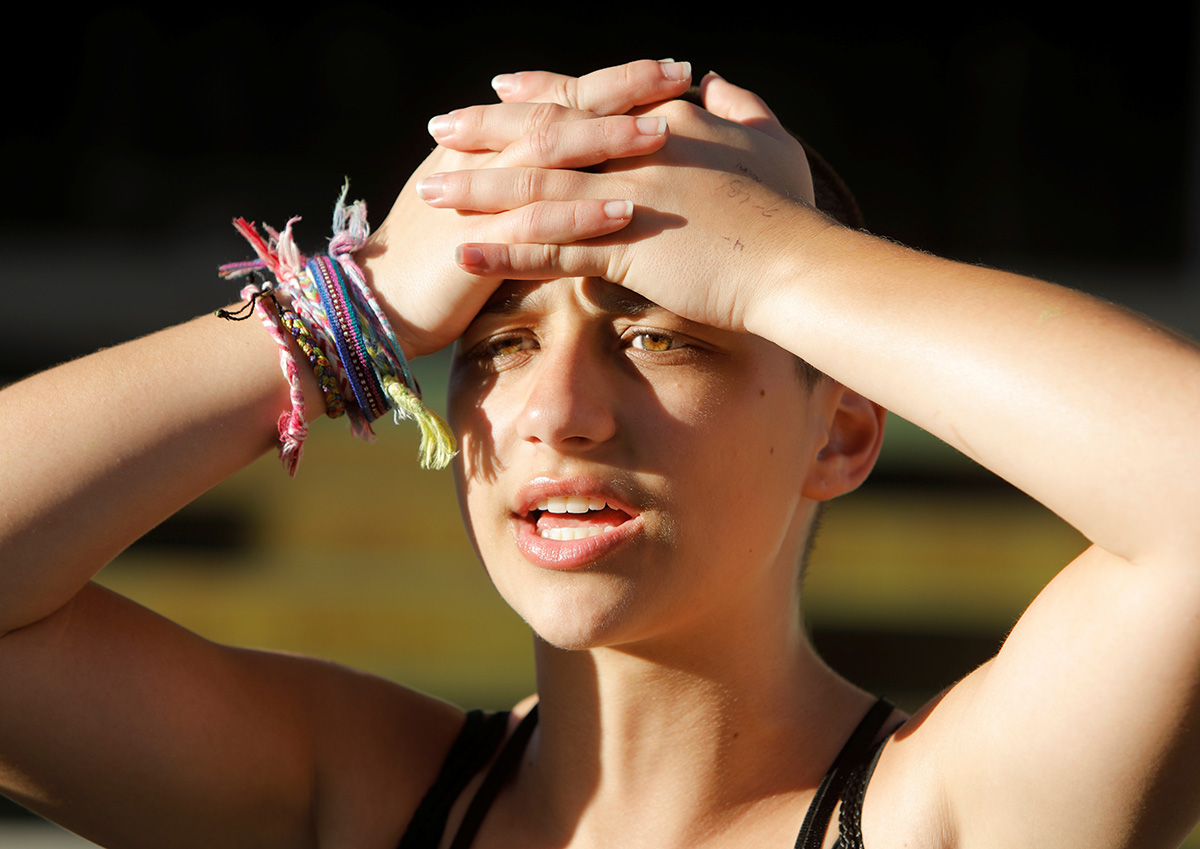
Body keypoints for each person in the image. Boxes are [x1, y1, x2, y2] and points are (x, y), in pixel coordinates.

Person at [1, 58, 1198, 849]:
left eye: (662, 336)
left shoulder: (953, 814)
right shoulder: (352, 799)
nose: (560, 412)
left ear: (840, 431)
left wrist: (777, 262)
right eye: (500, 343)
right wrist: (348, 308)